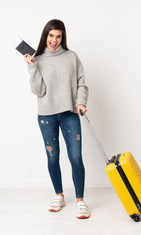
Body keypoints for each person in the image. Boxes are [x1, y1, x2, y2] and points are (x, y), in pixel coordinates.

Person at [23, 19, 90, 219]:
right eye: (51, 36)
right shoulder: (38, 59)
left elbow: (81, 83)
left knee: (76, 157)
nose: (54, 40)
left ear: (63, 37)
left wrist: (81, 101)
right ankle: (59, 195)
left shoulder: (71, 57)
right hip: (46, 115)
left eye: (58, 36)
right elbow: (38, 90)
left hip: (70, 113)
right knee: (52, 157)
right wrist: (32, 67)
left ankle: (80, 201)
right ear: (45, 36)